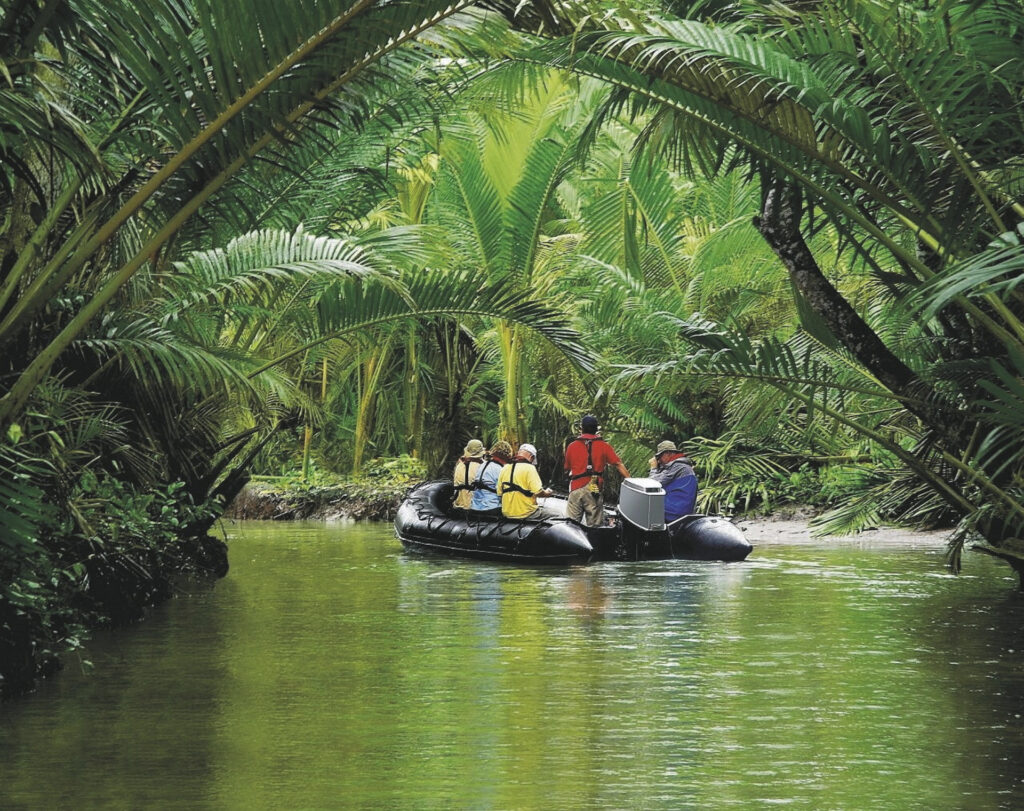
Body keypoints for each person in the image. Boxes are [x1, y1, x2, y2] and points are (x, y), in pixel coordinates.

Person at [563, 414, 630, 527]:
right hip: (594, 488)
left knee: (571, 526)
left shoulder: (572, 446)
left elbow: (567, 468)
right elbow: (618, 464)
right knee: (595, 527)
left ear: (581, 428)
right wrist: (630, 481)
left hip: (576, 487)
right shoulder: (604, 446)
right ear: (596, 429)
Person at [497, 442, 556, 520]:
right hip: (527, 513)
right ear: (531, 457)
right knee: (557, 515)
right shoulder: (530, 468)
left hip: (507, 513)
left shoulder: (505, 468)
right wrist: (547, 494)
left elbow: (499, 493)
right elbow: (538, 492)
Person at [648, 440, 698, 522]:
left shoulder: (677, 466)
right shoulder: (681, 465)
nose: (659, 461)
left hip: (675, 512)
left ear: (668, 453)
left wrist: (653, 468)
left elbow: (652, 484)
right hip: (681, 509)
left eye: (659, 457)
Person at [471, 440, 514, 515]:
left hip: (475, 507)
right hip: (491, 508)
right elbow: (505, 494)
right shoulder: (501, 470)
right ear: (507, 457)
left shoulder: (482, 465)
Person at [452, 438, 485, 509]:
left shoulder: (460, 465)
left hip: (459, 503)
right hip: (474, 505)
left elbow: (456, 485)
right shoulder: (482, 467)